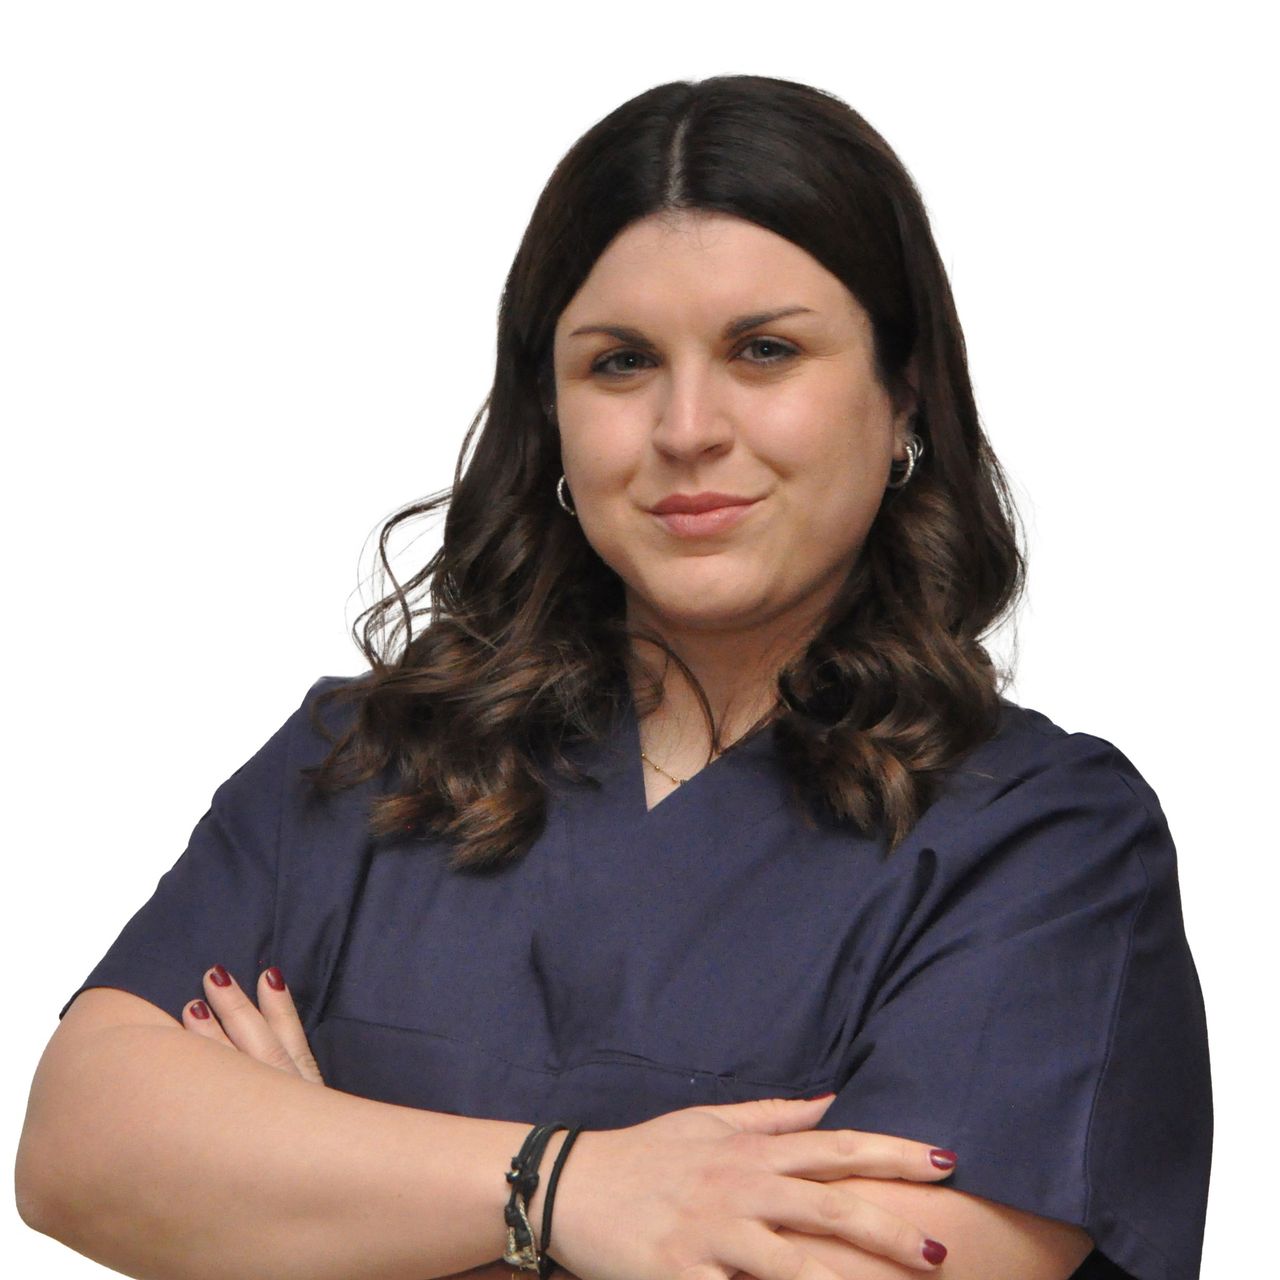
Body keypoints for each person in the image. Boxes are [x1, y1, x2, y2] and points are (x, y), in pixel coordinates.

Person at [15, 73, 1211, 1280]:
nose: (686, 428)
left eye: (764, 350)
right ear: (549, 409)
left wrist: (302, 1200)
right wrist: (565, 1189)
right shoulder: (367, 764)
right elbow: (76, 1146)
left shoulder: (1042, 847)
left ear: (902, 392)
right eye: (621, 361)